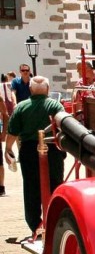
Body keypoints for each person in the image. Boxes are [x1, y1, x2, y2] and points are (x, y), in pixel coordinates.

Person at [4, 76, 65, 236]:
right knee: (55, 184)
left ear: (30, 90)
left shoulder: (21, 107)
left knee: (31, 187)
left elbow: (12, 133)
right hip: (53, 149)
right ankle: (55, 221)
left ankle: (36, 225)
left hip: (29, 151)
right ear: (48, 89)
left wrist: (8, 149)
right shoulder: (55, 105)